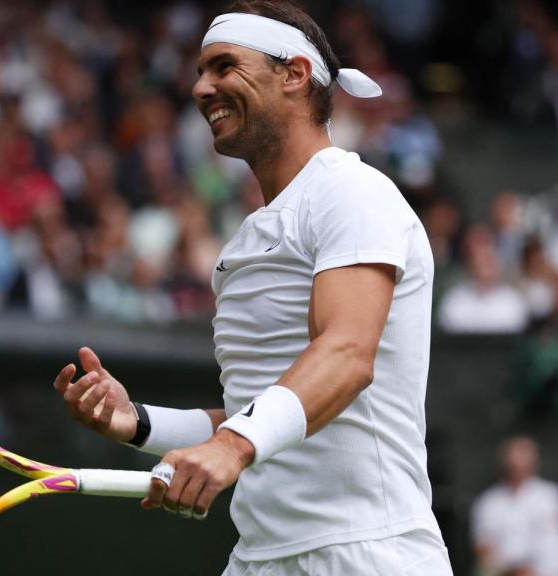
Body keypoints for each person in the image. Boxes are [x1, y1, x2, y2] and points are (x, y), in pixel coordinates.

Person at [52, 1, 451, 573]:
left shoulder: (353, 191)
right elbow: (255, 408)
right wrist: (138, 422)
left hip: (367, 552)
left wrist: (232, 447)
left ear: (294, 74)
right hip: (260, 558)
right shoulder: (245, 240)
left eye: (223, 66)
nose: (201, 89)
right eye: (199, 72)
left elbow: (346, 354)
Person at [471, 436, 558, 575]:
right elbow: (482, 548)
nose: (516, 465)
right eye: (513, 460)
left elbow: (554, 542)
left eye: (523, 458)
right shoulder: (487, 502)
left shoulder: (551, 497)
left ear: (534, 462)